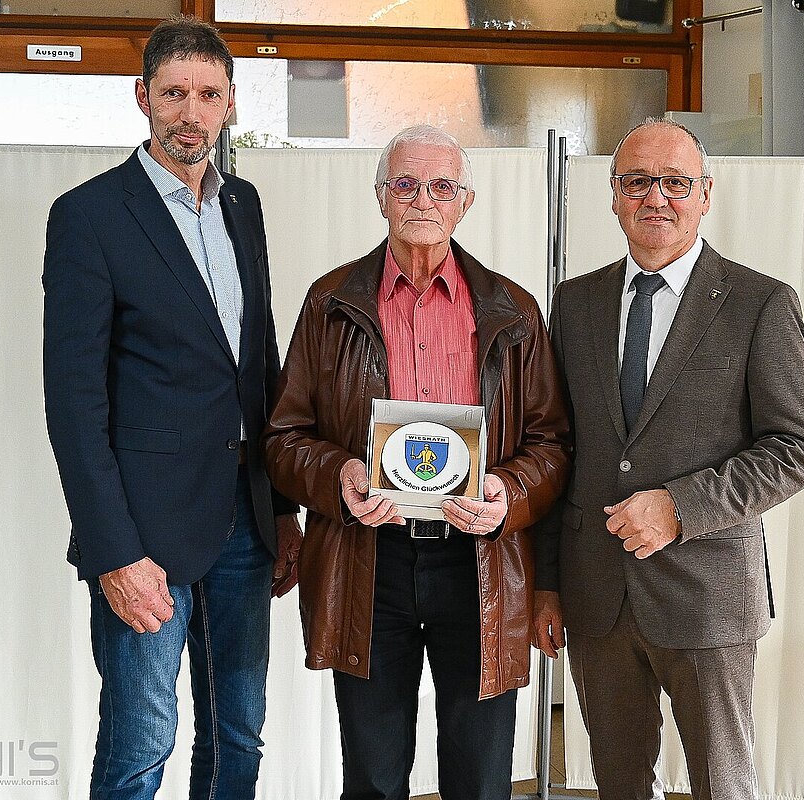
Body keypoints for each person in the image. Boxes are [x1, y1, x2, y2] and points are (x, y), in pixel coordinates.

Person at [264, 125, 570, 800]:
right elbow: (283, 438)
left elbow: (551, 445)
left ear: (465, 202)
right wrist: (340, 476)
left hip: (479, 564)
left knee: (481, 780)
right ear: (380, 197)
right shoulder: (330, 304)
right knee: (372, 780)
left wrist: (506, 489)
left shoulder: (514, 311)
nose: (423, 199)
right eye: (405, 184)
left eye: (441, 186)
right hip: (368, 561)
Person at [41, 15, 302, 800]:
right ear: (142, 97)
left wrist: (281, 509)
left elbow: (259, 364)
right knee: (141, 746)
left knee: (238, 734)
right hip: (144, 534)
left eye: (209, 95)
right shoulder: (89, 216)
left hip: (245, 522)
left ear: (231, 103)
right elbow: (73, 404)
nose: (192, 113)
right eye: (174, 93)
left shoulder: (244, 205)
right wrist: (113, 553)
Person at [532, 119, 804, 800]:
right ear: (613, 195)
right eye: (637, 181)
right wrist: (546, 582)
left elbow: (799, 448)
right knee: (620, 784)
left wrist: (680, 507)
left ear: (705, 194)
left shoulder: (760, 303)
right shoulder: (575, 303)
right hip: (597, 593)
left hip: (708, 594)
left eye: (675, 182)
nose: (655, 197)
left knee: (723, 784)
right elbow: (556, 449)